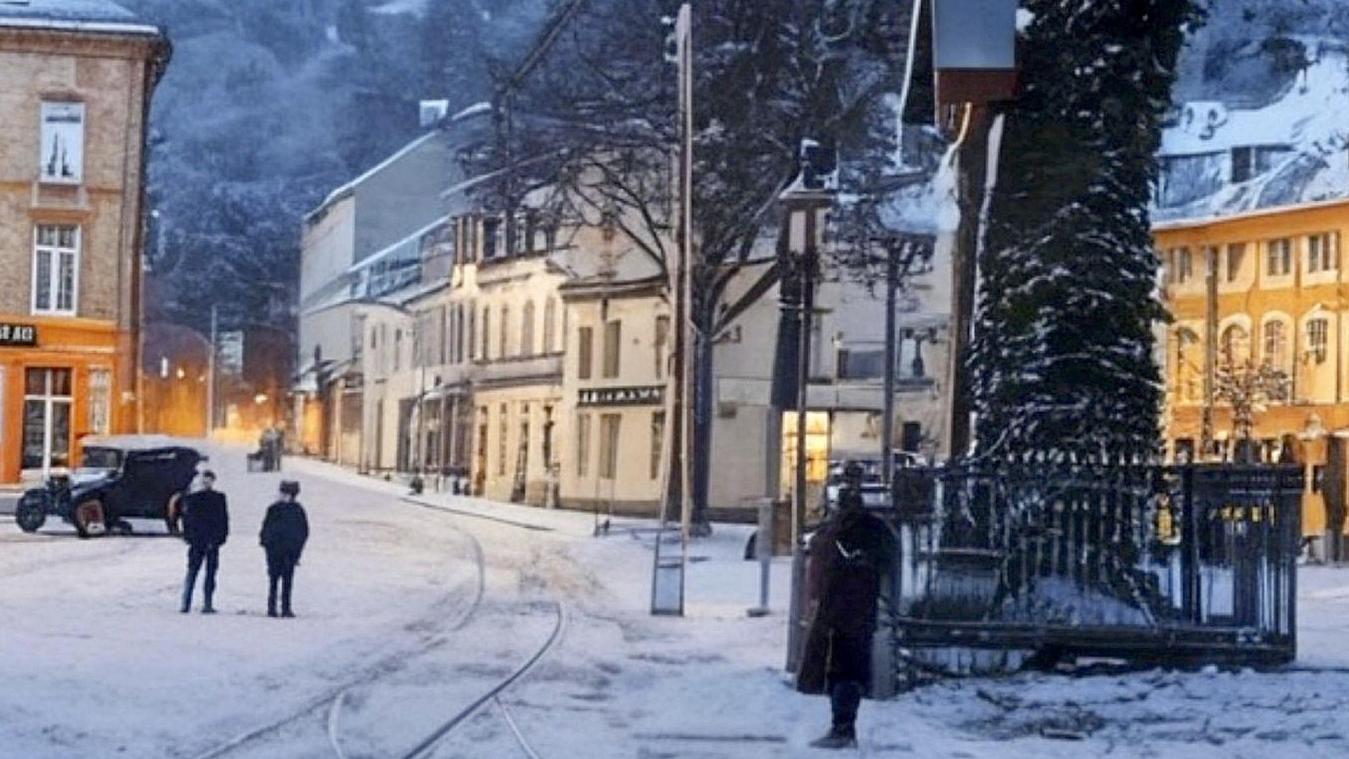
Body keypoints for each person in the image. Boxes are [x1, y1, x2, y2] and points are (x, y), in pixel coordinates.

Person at [797, 461, 894, 749]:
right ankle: (843, 725)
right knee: (849, 669)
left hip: (839, 611)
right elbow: (888, 564)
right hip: (859, 611)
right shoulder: (875, 531)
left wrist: (816, 601)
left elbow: (820, 570)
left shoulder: (834, 533)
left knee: (842, 670)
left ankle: (843, 728)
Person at [180, 470, 229, 614]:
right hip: (199, 541)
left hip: (211, 541)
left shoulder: (218, 498)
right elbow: (187, 520)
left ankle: (207, 603)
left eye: (210, 480)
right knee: (193, 571)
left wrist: (220, 538)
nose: (207, 482)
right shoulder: (193, 499)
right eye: (205, 479)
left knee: (209, 573)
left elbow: (223, 520)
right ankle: (186, 602)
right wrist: (190, 537)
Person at [260, 480, 309, 618]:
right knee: (273, 579)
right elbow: (266, 527)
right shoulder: (273, 509)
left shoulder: (297, 510)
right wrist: (266, 543)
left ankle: (286, 607)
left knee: (287, 580)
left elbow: (303, 532)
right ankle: (272, 607)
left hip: (289, 551)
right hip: (274, 550)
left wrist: (297, 550)